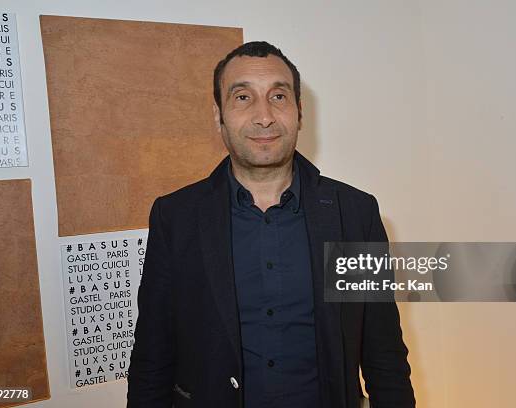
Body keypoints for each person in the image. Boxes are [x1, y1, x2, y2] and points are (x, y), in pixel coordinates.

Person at [127, 41, 415, 408]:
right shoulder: (176, 217)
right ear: (218, 116)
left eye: (278, 96)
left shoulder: (354, 214)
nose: (264, 116)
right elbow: (153, 355)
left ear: (299, 112)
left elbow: (384, 355)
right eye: (243, 98)